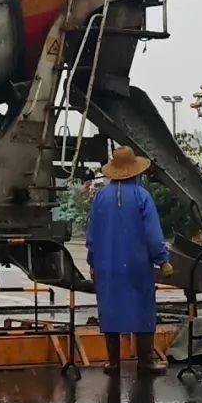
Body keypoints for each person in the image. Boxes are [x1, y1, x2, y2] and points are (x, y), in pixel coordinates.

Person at [86, 146, 169, 373]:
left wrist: (92, 261)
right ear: (136, 171)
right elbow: (153, 234)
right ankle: (144, 362)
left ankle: (113, 363)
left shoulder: (101, 197)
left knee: (110, 308)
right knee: (143, 310)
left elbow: (92, 234)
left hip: (106, 265)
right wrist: (162, 259)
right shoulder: (142, 196)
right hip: (137, 265)